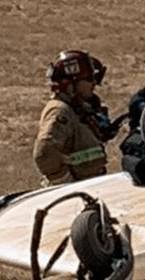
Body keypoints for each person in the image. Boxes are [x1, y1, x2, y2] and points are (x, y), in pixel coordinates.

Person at [34, 50, 110, 185]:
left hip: (87, 188)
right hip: (73, 196)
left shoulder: (76, 109)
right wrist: (65, 184)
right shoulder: (59, 111)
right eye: (88, 79)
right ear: (70, 84)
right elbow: (45, 153)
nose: (93, 83)